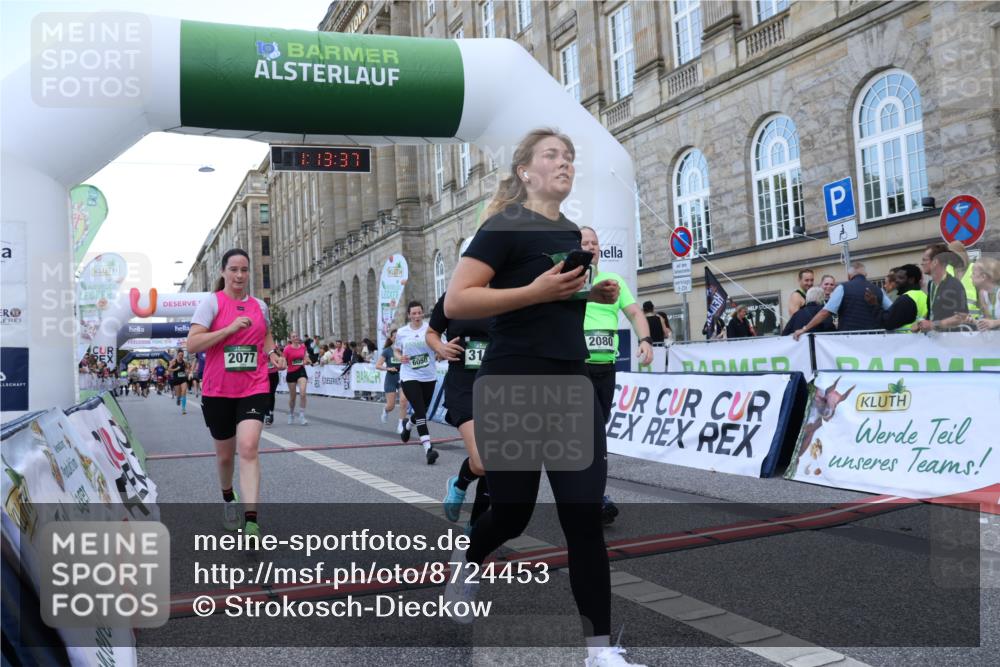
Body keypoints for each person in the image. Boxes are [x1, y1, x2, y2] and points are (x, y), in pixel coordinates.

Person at [443, 128, 641, 666]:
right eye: (552, 155)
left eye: (570, 157)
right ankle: (468, 560)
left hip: (572, 385)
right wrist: (534, 291)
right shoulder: (502, 226)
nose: (565, 163)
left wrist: (589, 292)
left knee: (582, 519)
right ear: (525, 171)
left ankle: (599, 652)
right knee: (512, 514)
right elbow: (458, 300)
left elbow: (559, 299)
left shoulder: (574, 232)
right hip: (513, 386)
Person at [187, 248, 286, 539]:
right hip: (218, 391)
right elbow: (192, 344)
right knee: (225, 457)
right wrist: (228, 329)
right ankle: (229, 498)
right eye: (234, 270)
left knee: (249, 447)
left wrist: (273, 353)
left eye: (244, 270)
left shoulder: (259, 306)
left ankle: (252, 520)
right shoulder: (211, 304)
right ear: (223, 272)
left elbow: (264, 334)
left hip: (254, 386)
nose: (240, 275)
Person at [580, 226, 653, 526]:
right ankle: (595, 498)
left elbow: (636, 313)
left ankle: (590, 494)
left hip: (605, 369)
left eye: (595, 243)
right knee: (591, 435)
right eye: (584, 242)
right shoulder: (567, 283)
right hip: (577, 368)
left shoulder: (613, 281)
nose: (591, 247)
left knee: (598, 434)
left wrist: (645, 340)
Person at [427, 291, 493, 531]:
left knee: (493, 460)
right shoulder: (451, 297)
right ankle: (459, 483)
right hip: (463, 384)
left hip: (497, 384)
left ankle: (476, 525)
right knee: (484, 460)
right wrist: (440, 348)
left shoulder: (507, 292)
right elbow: (432, 333)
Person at [793, 262, 891, 339]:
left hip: (849, 340)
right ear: (865, 274)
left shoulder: (843, 288)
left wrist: (805, 329)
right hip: (875, 338)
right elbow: (892, 311)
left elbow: (825, 312)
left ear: (849, 276)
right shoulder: (878, 290)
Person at [395, 301, 440, 465]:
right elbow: (397, 350)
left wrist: (441, 352)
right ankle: (428, 449)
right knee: (421, 411)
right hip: (409, 375)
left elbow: (439, 346)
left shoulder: (430, 329)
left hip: (428, 375)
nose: (416, 316)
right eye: (413, 313)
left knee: (423, 410)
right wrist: (400, 358)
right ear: (408, 315)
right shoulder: (402, 332)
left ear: (422, 313)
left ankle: (408, 426)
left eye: (419, 312)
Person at [913, 246, 969, 332]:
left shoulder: (954, 285)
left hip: (952, 340)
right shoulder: (931, 284)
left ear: (935, 262)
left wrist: (933, 325)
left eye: (925, 260)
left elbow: (962, 317)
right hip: (936, 340)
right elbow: (932, 313)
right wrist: (920, 323)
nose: (922, 263)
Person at [862, 265, 926, 331]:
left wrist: (874, 304)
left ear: (911, 280)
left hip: (908, 339)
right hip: (921, 338)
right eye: (896, 278)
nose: (896, 281)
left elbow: (887, 323)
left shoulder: (906, 299)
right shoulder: (922, 295)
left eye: (901, 278)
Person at [375, 329, 409, 432]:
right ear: (391, 339)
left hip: (403, 377)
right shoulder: (387, 351)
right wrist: (388, 368)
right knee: (391, 406)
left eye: (399, 337)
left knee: (403, 401)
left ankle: (401, 424)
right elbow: (378, 365)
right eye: (395, 337)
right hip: (391, 377)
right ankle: (385, 411)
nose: (397, 339)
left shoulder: (405, 349)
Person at [947, 241, 982, 318]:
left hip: (973, 322)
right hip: (951, 322)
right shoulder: (947, 270)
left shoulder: (974, 269)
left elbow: (983, 298)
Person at [283, 332, 310, 425]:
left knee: (302, 393)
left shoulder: (303, 347)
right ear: (290, 339)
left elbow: (305, 357)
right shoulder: (287, 349)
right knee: (293, 397)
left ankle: (302, 415)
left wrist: (306, 361)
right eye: (293, 336)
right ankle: (291, 413)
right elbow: (283, 360)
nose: (295, 338)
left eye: (297, 336)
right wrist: (281, 364)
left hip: (301, 371)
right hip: (291, 373)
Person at [974, 257, 1000, 330]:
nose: (970, 276)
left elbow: (992, 323)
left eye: (973, 273)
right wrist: (973, 321)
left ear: (983, 277)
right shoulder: (982, 293)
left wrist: (994, 323)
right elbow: (988, 321)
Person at [167, 350, 190, 415]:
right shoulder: (174, 361)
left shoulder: (184, 362)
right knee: (178, 394)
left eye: (182, 355)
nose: (181, 356)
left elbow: (188, 368)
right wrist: (175, 369)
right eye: (179, 355)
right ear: (177, 355)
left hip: (183, 379)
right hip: (176, 379)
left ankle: (183, 408)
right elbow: (168, 369)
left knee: (184, 391)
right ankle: (178, 398)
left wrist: (187, 371)